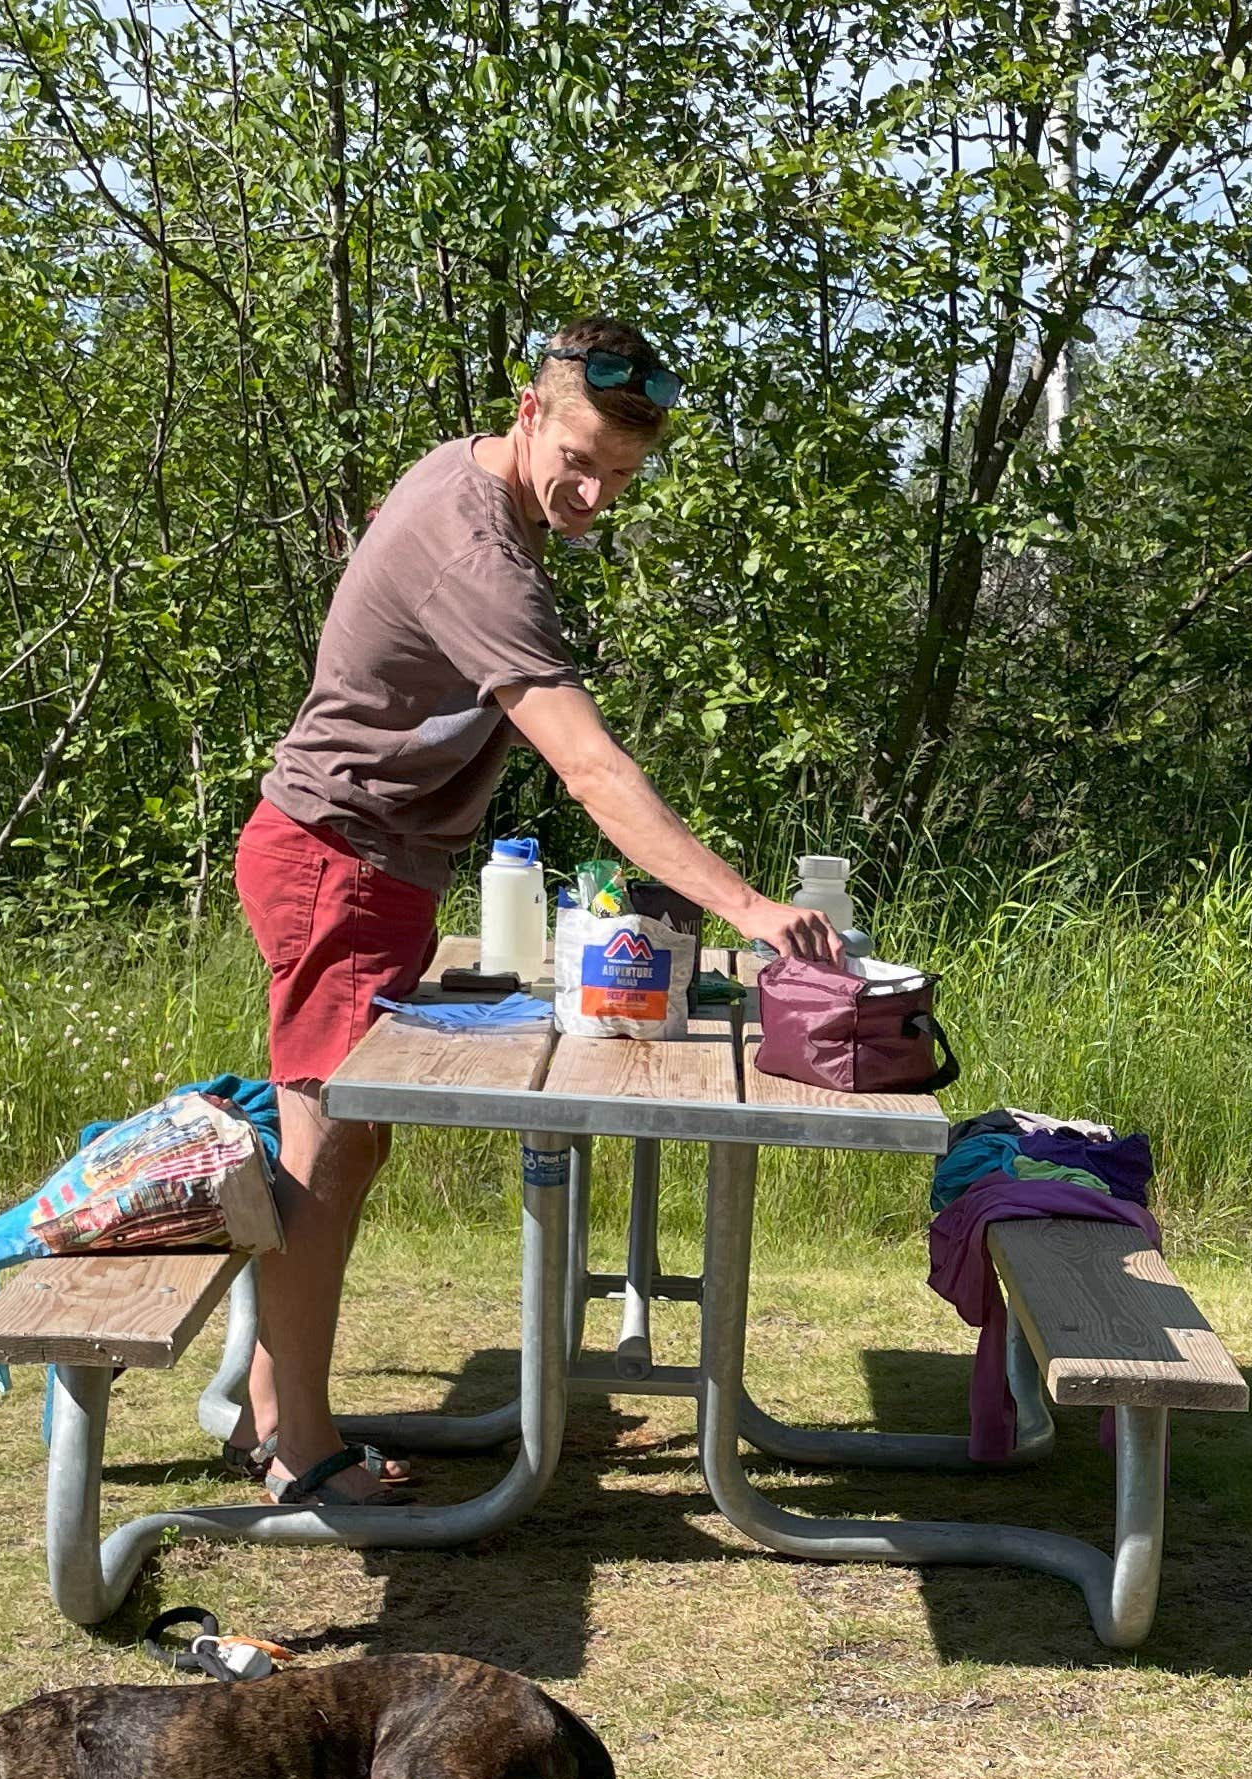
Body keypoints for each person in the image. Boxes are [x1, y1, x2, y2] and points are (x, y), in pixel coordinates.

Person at [232, 317, 841, 1506]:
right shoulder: (480, 553)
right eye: (580, 458)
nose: (594, 493)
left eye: (621, 476)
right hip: (338, 860)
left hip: (372, 864)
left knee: (346, 1141)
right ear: (527, 409)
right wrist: (746, 906)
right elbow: (592, 771)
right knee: (328, 1148)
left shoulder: (478, 482)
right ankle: (292, 1446)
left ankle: (273, 1409)